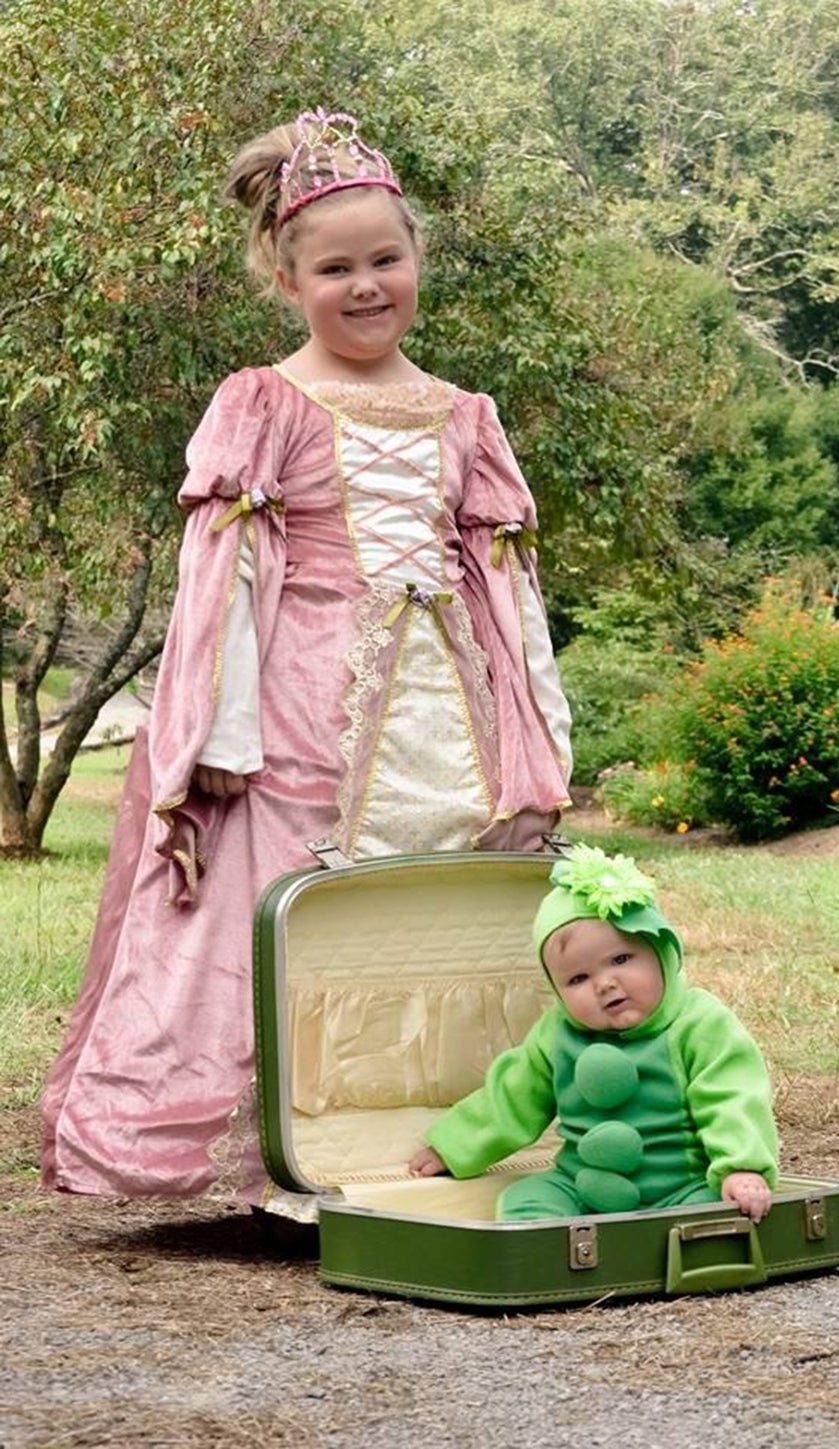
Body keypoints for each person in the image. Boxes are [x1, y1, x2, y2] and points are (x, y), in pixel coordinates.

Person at [42, 107, 572, 1220]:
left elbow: (509, 593)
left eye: (387, 259)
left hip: (450, 708)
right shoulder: (266, 402)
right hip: (300, 710)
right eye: (337, 268)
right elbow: (227, 577)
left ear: (419, 258)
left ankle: (435, 1141)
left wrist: (538, 735)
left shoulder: (466, 416)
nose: (367, 285)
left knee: (437, 909)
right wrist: (222, 733)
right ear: (287, 280)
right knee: (299, 911)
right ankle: (290, 1154)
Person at [410, 844, 778, 1221]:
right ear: (556, 989)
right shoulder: (558, 1034)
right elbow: (512, 1097)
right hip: (580, 1182)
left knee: (712, 1210)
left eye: (620, 959)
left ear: (661, 952)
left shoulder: (699, 1023)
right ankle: (548, 1249)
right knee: (527, 1197)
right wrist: (453, 1147)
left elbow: (732, 1098)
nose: (604, 984)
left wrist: (741, 1166)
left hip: (680, 1186)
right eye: (578, 978)